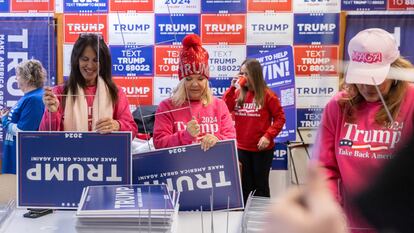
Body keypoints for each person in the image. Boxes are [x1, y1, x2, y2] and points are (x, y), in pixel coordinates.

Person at [315, 28, 414, 232]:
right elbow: (324, 166)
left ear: (393, 70)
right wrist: (331, 210)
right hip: (350, 225)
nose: (367, 86)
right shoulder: (339, 105)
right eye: (361, 77)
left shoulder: (411, 102)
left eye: (376, 79)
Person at [39, 33, 137, 138]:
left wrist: (117, 125)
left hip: (105, 153)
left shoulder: (115, 92)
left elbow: (132, 130)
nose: (90, 66)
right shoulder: (59, 92)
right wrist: (51, 113)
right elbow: (45, 136)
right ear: (76, 60)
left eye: (96, 60)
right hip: (68, 153)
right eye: (85, 59)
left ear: (103, 63)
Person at [153, 34, 236, 150]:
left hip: (213, 165)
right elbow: (159, 143)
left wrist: (217, 139)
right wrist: (185, 135)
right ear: (182, 81)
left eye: (200, 79)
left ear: (206, 81)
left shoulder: (219, 105)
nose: (195, 84)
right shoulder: (166, 106)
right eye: (189, 79)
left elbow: (231, 137)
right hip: (179, 166)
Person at [222, 59, 286, 203]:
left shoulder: (268, 95)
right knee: (244, 187)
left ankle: (262, 222)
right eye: (241, 73)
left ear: (255, 75)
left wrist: (268, 136)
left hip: (261, 150)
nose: (242, 77)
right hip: (241, 148)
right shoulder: (238, 93)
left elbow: (280, 118)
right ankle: (244, 220)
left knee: (260, 187)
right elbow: (225, 109)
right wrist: (232, 88)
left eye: (246, 73)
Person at [1, 59, 46, 174]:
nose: (16, 78)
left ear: (28, 78)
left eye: (18, 75)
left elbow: (23, 131)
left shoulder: (35, 99)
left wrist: (4, 121)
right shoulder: (29, 97)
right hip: (15, 154)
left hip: (23, 159)